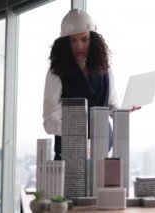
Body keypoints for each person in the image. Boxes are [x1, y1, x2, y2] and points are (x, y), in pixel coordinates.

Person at [42, 9, 120, 160]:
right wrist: (72, 130)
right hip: (69, 155)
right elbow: (49, 122)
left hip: (102, 151)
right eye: (73, 40)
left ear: (93, 40)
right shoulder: (56, 73)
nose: (79, 46)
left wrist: (125, 112)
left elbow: (112, 107)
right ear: (65, 43)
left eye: (84, 39)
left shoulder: (106, 70)